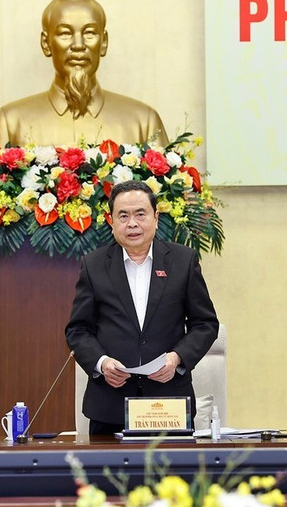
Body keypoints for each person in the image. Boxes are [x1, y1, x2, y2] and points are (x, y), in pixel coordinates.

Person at [65, 181, 219, 434]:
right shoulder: (93, 265)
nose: (132, 223)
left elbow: (205, 324)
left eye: (140, 214)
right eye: (123, 216)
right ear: (111, 221)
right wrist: (102, 363)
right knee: (110, 474)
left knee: (170, 474)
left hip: (167, 403)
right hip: (110, 404)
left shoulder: (183, 261)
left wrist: (176, 358)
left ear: (156, 217)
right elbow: (78, 330)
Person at [0, 0, 169, 148]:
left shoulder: (143, 122)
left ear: (103, 42)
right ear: (46, 43)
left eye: (89, 32)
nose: (79, 45)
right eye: (65, 33)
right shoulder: (10, 123)